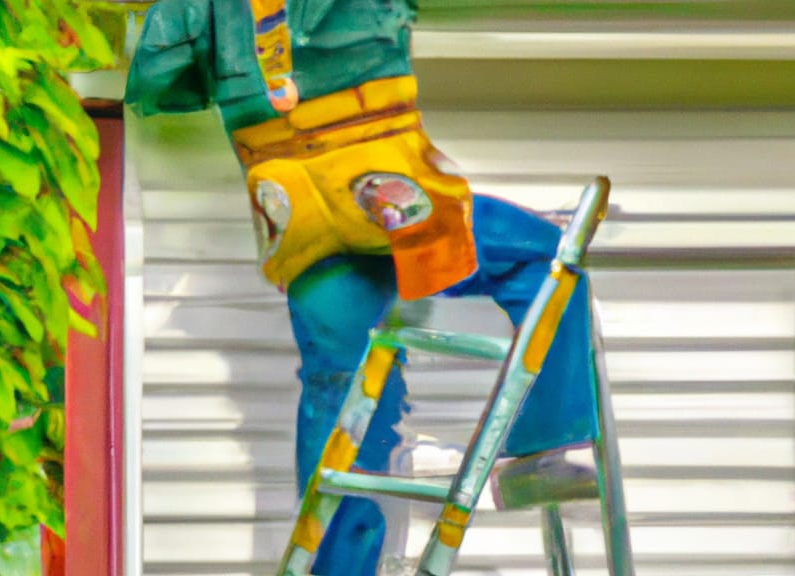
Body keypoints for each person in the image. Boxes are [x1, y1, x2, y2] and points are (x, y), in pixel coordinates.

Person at [126, 2, 598, 574]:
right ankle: (542, 448)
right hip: (378, 184)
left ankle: (337, 567)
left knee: (342, 388)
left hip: (291, 205)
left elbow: (163, 75)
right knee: (545, 261)